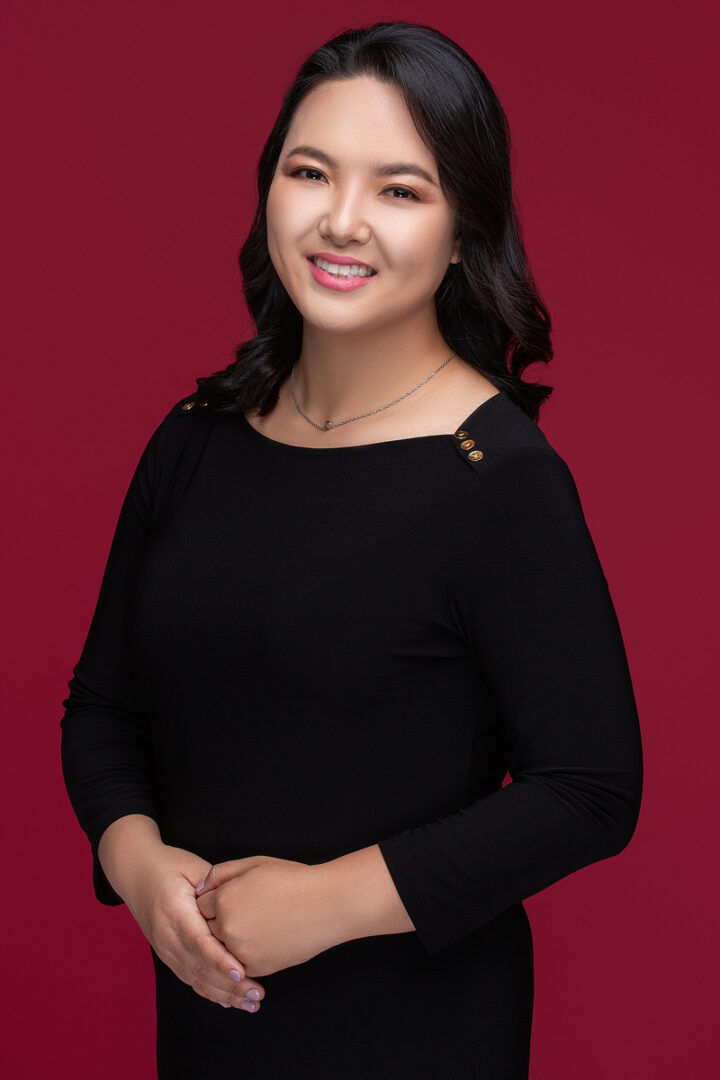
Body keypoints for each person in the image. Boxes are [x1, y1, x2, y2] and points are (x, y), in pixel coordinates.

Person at [60, 19, 644, 1079]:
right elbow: (102, 709)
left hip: (415, 1035)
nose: (341, 221)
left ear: (467, 229)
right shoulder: (191, 444)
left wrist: (325, 903)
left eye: (400, 190)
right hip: (208, 1024)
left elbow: (593, 788)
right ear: (268, 191)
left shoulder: (497, 476)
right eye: (310, 171)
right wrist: (137, 863)